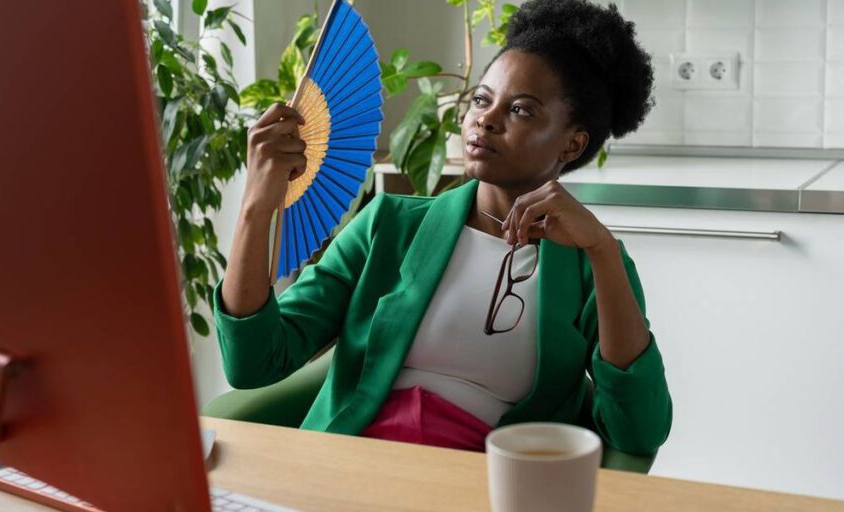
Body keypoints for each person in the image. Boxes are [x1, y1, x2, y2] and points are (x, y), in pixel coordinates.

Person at [214, 0, 672, 456]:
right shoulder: (388, 224)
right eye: (481, 100)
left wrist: (602, 250)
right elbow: (253, 363)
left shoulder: (591, 262)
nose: (486, 119)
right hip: (349, 466)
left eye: (521, 110)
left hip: (481, 481)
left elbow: (638, 431)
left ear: (572, 144)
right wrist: (257, 205)